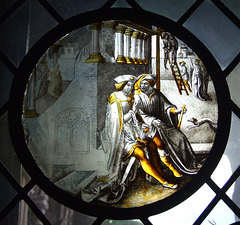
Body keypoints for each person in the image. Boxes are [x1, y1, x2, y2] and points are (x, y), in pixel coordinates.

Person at [81, 75, 177, 204]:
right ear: (121, 86)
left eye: (131, 85)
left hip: (132, 131)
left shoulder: (131, 97)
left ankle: (159, 173)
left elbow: (136, 117)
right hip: (119, 137)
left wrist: (142, 123)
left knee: (152, 144)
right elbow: (116, 122)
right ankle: (164, 181)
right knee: (141, 154)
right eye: (128, 85)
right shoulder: (115, 98)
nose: (130, 88)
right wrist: (133, 111)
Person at [133, 74, 198, 176]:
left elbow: (166, 107)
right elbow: (139, 114)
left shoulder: (157, 94)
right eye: (141, 84)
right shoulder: (137, 97)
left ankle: (188, 163)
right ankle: (171, 167)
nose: (142, 86)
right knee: (159, 143)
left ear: (150, 84)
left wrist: (176, 111)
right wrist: (152, 120)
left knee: (181, 138)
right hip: (146, 126)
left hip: (161, 124)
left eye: (145, 84)